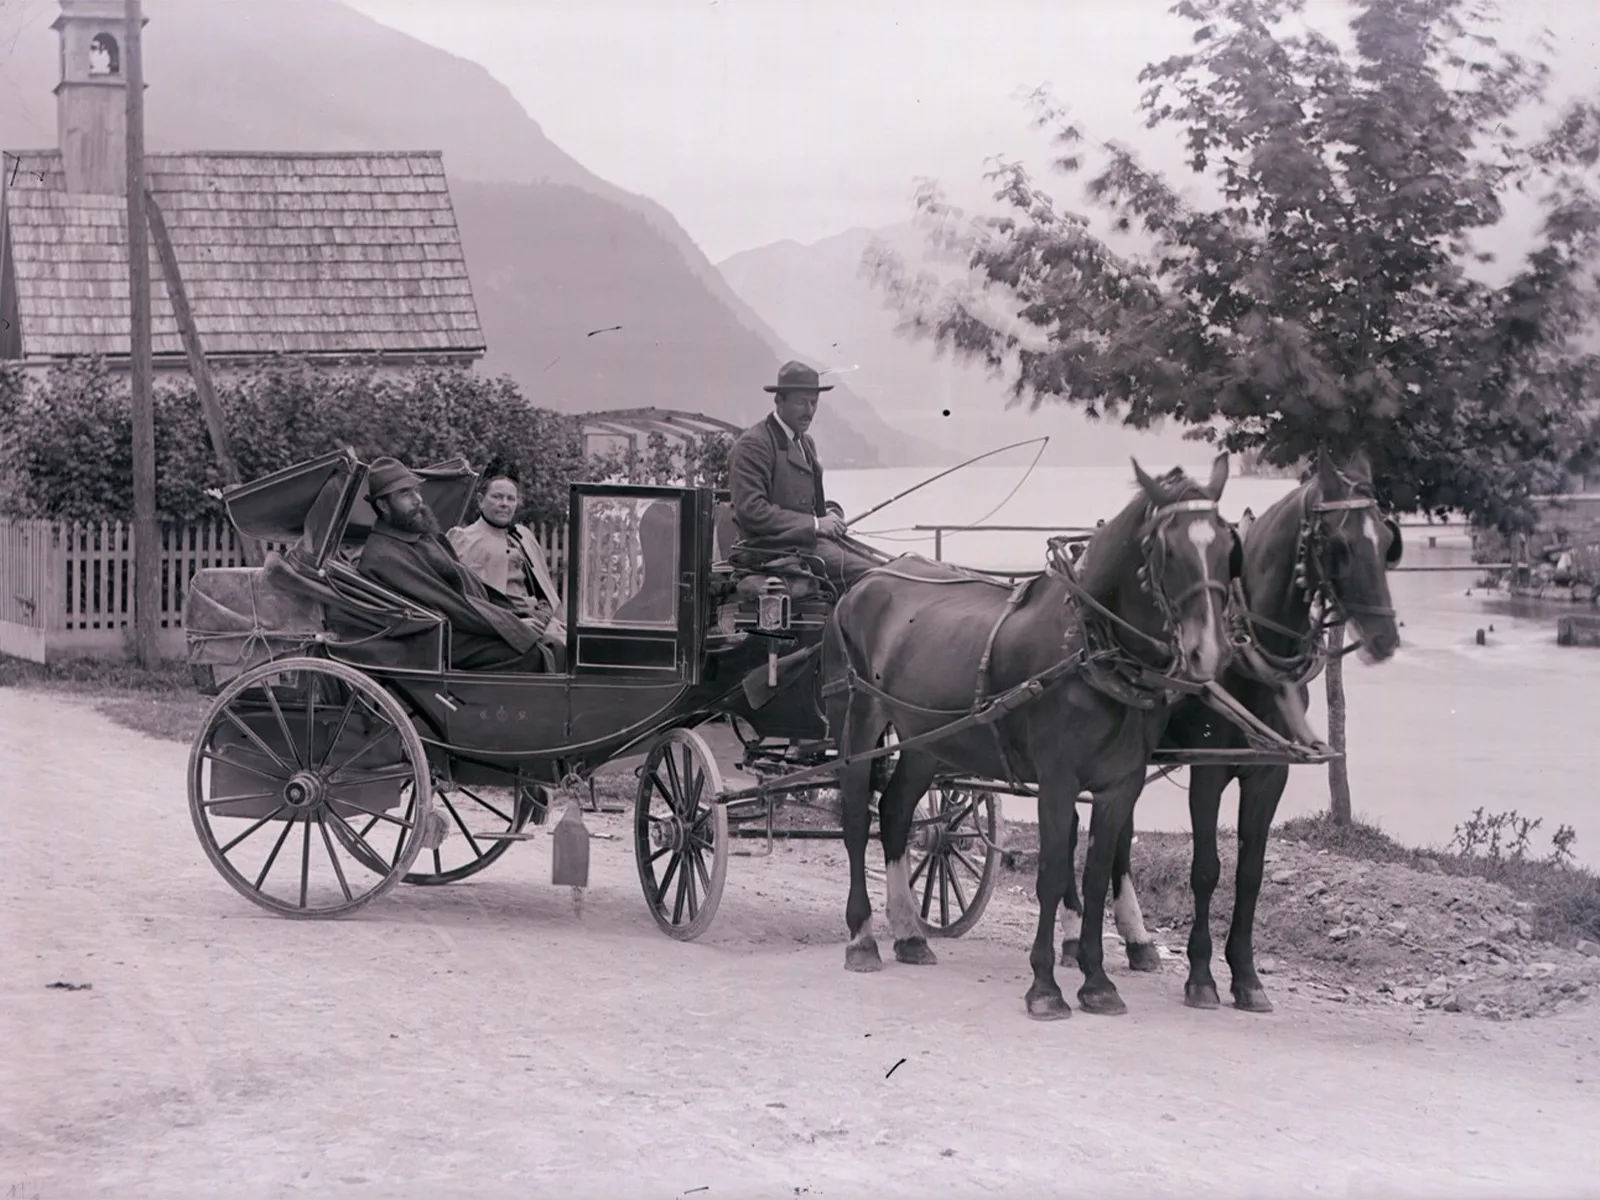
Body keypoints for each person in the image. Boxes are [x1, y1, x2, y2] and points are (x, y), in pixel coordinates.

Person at [357, 456, 561, 672]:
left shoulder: (416, 536)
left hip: (463, 627)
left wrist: (514, 617)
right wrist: (511, 626)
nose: (418, 499)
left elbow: (468, 590)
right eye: (405, 494)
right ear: (383, 505)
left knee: (554, 644)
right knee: (537, 654)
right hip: (438, 641)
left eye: (416, 490)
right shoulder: (385, 555)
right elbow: (449, 604)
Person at [727, 359, 883, 594]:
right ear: (779, 400)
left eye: (814, 403)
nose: (809, 411)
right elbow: (752, 512)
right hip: (775, 550)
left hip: (807, 544)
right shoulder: (754, 445)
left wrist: (829, 514)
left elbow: (806, 503)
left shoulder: (804, 441)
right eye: (801, 402)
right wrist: (816, 524)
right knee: (875, 578)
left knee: (886, 567)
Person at [447, 461, 566, 645]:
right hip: (503, 626)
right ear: (480, 500)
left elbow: (546, 592)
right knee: (556, 647)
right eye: (497, 497)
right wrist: (513, 622)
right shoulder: (464, 539)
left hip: (540, 619)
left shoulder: (524, 536)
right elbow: (467, 601)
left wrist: (544, 613)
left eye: (511, 499)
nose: (504, 504)